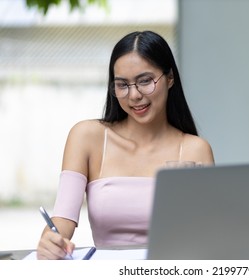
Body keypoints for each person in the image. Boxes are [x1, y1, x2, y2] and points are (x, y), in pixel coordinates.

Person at [36, 30, 215, 260]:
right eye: (122, 84)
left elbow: (206, 234)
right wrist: (50, 242)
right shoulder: (87, 137)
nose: (134, 95)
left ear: (169, 78)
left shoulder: (195, 150)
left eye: (145, 81)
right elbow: (62, 221)